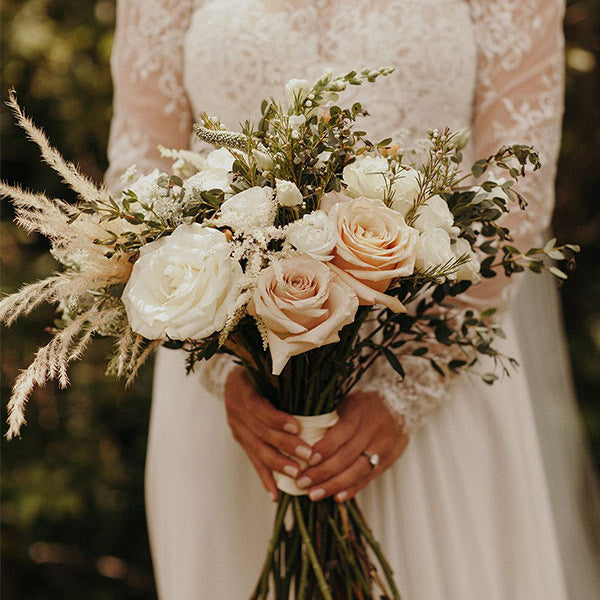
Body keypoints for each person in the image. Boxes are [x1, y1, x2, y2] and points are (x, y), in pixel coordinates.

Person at [105, 0, 600, 598]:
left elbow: (515, 198)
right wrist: (225, 362)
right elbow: (137, 179)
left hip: (438, 380)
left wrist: (406, 386)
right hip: (239, 401)